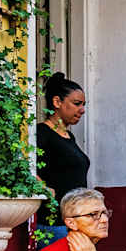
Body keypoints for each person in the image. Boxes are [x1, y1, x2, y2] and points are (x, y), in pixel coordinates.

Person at [36, 72, 90, 239]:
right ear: (57, 102)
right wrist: (46, 191)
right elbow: (29, 170)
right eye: (76, 104)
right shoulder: (41, 133)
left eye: (83, 105)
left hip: (76, 222)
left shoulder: (69, 137)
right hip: (55, 224)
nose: (82, 110)